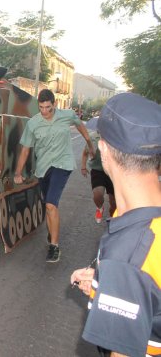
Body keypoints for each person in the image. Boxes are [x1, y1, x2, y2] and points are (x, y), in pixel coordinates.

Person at [70, 93, 161, 357]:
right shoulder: (137, 214)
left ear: (104, 150)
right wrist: (106, 287)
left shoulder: (129, 256)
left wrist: (120, 282)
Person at [14, 89, 95, 263]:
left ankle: (54, 246)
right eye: (41, 107)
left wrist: (90, 144)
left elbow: (80, 126)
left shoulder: (67, 115)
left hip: (62, 164)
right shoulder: (33, 123)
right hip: (43, 167)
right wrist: (18, 172)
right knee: (48, 205)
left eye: (48, 108)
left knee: (51, 204)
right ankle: (53, 231)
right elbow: (25, 150)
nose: (45, 111)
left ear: (54, 105)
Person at [81, 129, 116, 223]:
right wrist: (83, 167)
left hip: (113, 172)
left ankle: (113, 218)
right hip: (98, 170)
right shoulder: (92, 137)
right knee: (97, 194)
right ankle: (99, 208)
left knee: (114, 203)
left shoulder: (116, 136)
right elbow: (85, 153)